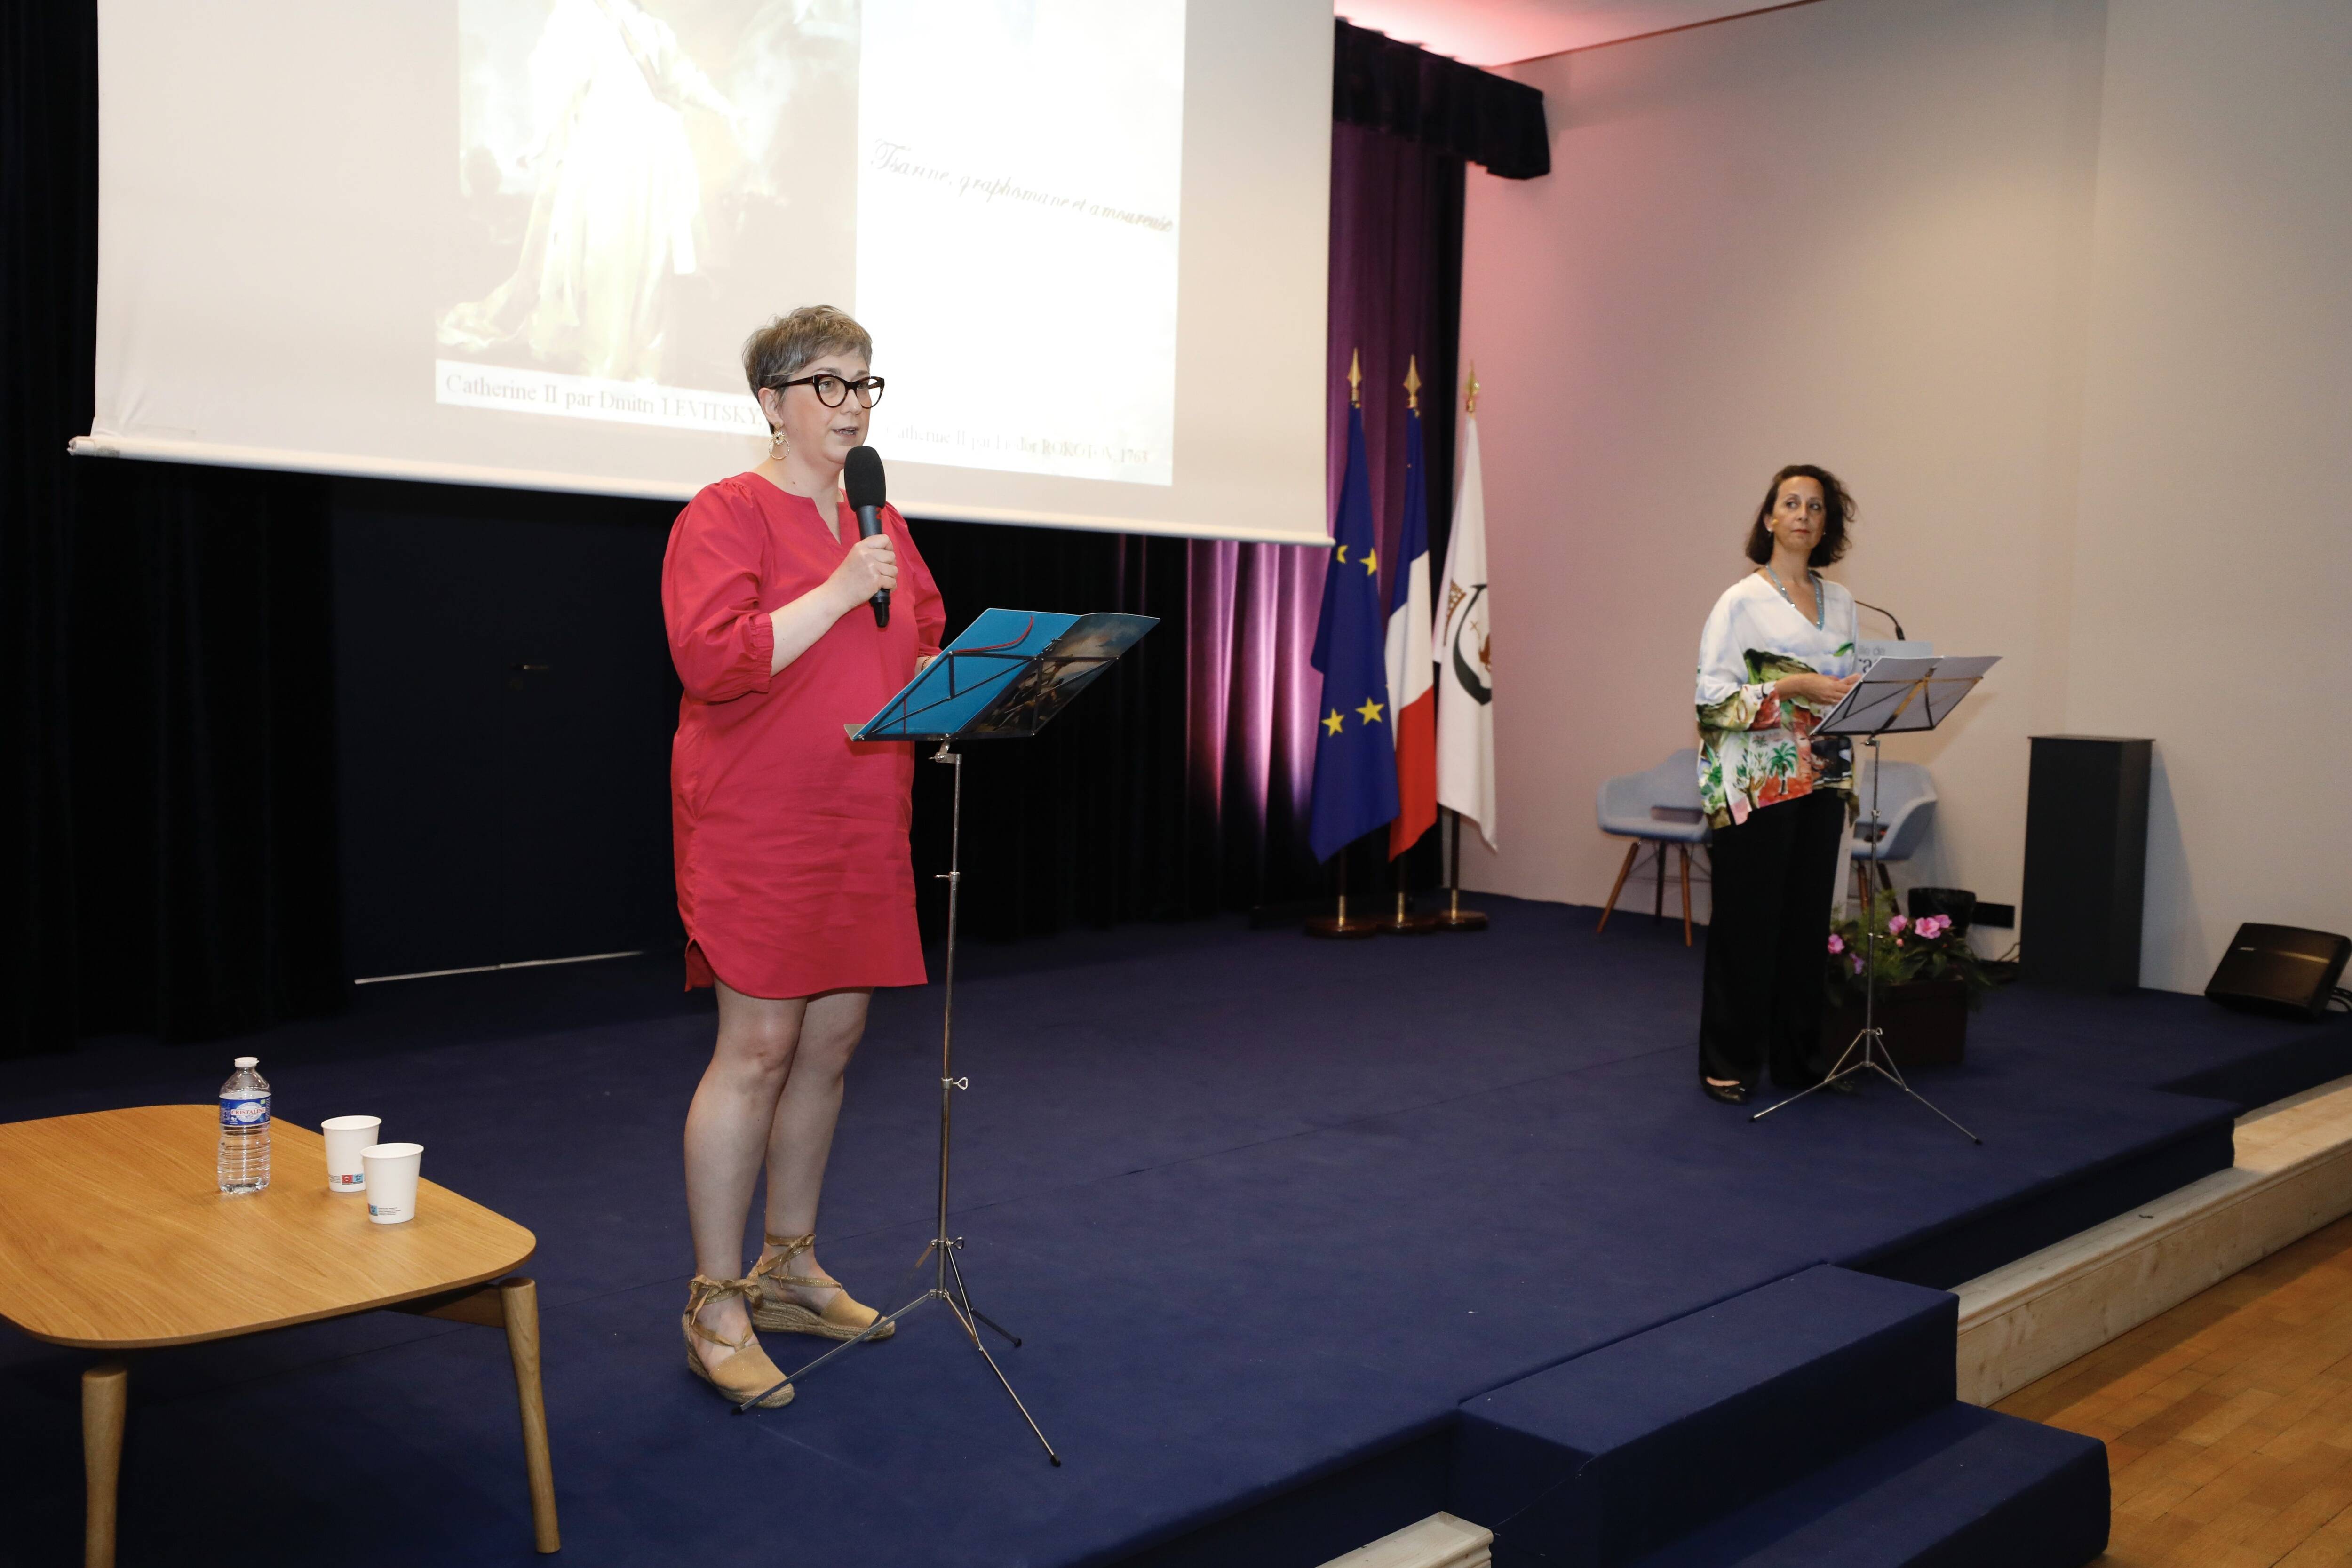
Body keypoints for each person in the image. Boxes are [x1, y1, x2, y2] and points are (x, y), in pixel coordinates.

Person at [660, 304, 945, 1406]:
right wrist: (834, 588)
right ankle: (713, 1300)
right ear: (772, 402)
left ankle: (788, 1265)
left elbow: (920, 636)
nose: (852, 405)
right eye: (828, 384)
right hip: (758, 817)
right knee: (760, 1048)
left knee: (833, 1042)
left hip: (863, 812)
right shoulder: (725, 514)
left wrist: (959, 677)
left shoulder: (884, 522)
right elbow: (713, 659)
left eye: (866, 384)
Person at [1693, 466, 1864, 1106]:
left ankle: (1801, 1060)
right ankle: (1726, 1061)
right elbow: (1711, 703)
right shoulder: (1741, 601)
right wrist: (1791, 687)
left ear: (1827, 526)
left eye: (1816, 507)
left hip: (1822, 780)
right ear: (1769, 518)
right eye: (1790, 503)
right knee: (1747, 926)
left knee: (1804, 928)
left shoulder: (1843, 603)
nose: (1803, 514)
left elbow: (1845, 687)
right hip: (1756, 785)